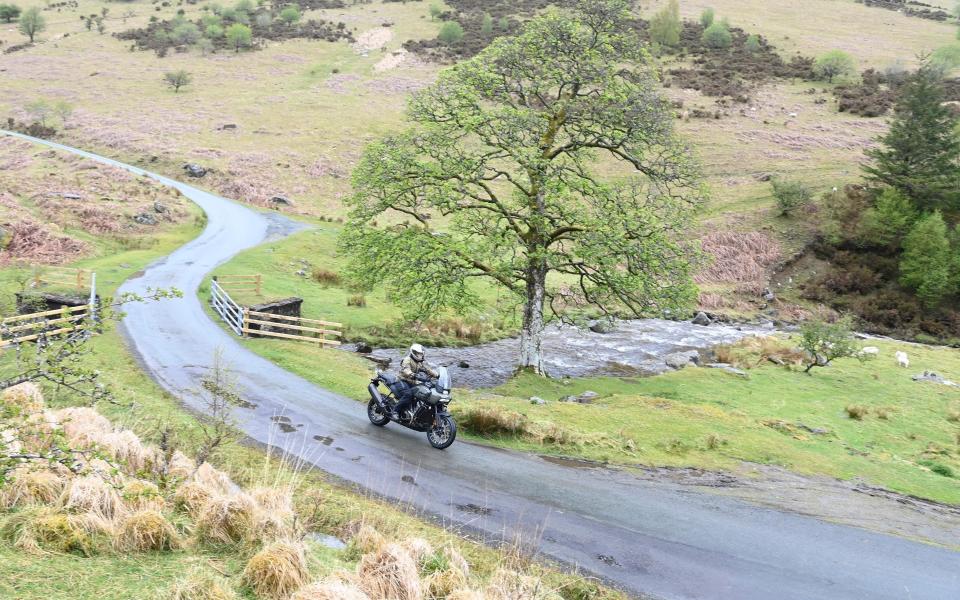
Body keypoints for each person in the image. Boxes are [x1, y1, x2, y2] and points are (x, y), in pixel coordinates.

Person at [391, 343, 438, 420]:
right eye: (419, 354)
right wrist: (413, 375)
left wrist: (437, 375)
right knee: (409, 394)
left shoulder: (420, 362)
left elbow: (427, 369)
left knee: (423, 392)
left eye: (422, 354)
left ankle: (415, 411)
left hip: (413, 382)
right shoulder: (407, 360)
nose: (421, 356)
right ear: (414, 353)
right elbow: (406, 370)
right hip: (402, 380)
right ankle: (395, 411)